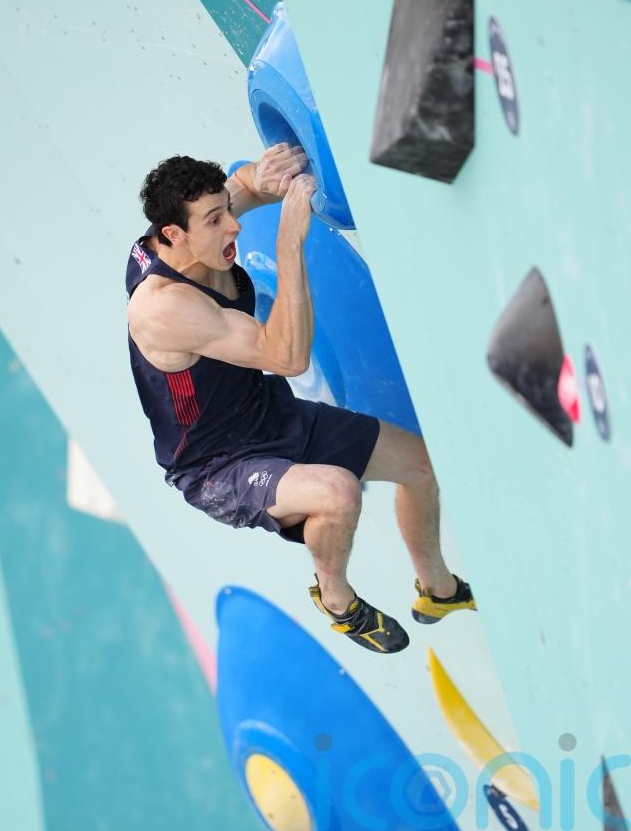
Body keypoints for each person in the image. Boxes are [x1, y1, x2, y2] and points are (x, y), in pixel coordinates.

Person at [126, 143, 476, 654]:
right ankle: (337, 600)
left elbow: (244, 185)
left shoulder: (195, 230)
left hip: (269, 415)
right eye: (216, 220)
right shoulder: (164, 308)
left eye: (225, 211)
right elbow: (286, 356)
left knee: (421, 467)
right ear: (173, 235)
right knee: (337, 493)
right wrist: (289, 242)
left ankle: (438, 590)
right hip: (218, 465)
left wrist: (267, 175)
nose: (233, 227)